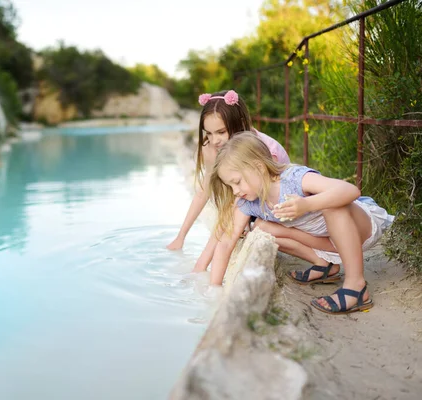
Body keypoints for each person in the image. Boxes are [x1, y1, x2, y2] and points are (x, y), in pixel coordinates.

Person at [196, 132, 394, 315]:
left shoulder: (293, 179)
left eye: (237, 182)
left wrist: (306, 205)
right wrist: (215, 288)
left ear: (258, 166)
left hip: (362, 227)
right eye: (230, 186)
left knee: (333, 205)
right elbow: (225, 242)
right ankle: (324, 264)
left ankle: (355, 286)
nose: (235, 191)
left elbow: (350, 191)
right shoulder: (249, 203)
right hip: (331, 244)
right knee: (262, 229)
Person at [167, 90, 290, 251]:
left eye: (221, 132)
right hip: (252, 201)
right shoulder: (214, 147)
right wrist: (181, 236)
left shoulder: (260, 150)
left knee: (251, 225)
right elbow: (204, 190)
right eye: (208, 133)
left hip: (280, 206)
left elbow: (241, 206)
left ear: (238, 123)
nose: (214, 140)